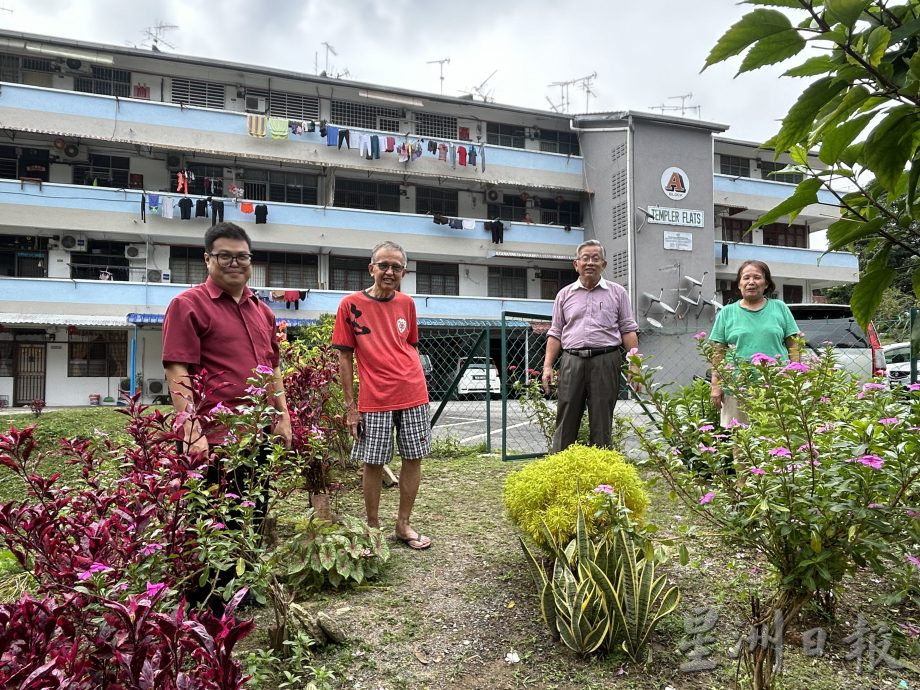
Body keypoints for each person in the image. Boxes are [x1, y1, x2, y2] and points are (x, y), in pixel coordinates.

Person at [162, 222, 291, 524]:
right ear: (208, 259)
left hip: (258, 435)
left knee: (251, 520)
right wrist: (191, 430)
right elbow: (177, 367)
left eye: (242, 256)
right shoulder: (187, 305)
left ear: (250, 261)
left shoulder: (263, 311)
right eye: (225, 256)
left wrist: (283, 415)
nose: (235, 263)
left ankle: (245, 573)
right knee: (213, 530)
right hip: (213, 437)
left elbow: (272, 367)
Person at [332, 241, 432, 550]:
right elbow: (344, 358)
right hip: (374, 397)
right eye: (384, 265)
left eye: (396, 267)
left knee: (413, 458)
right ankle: (372, 527)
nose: (390, 272)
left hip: (413, 392)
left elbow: (410, 344)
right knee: (372, 462)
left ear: (404, 271)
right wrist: (351, 406)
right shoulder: (350, 305)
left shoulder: (407, 304)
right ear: (371, 268)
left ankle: (403, 524)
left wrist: (412, 375)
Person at [541, 239, 639, 452]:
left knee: (602, 421)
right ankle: (560, 468)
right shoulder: (564, 295)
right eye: (585, 258)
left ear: (604, 265)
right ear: (576, 264)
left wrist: (635, 364)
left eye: (596, 258)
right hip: (571, 360)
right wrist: (548, 366)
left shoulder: (617, 293)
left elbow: (628, 330)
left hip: (606, 359)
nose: (590, 263)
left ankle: (601, 478)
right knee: (566, 417)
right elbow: (555, 332)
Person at [709, 259, 800, 426]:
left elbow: (793, 344)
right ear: (739, 284)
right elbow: (718, 353)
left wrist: (795, 376)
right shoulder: (727, 313)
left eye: (757, 277)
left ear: (766, 283)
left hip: (777, 386)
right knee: (742, 443)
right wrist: (716, 385)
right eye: (746, 278)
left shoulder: (779, 308)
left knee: (777, 437)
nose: (751, 282)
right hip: (737, 387)